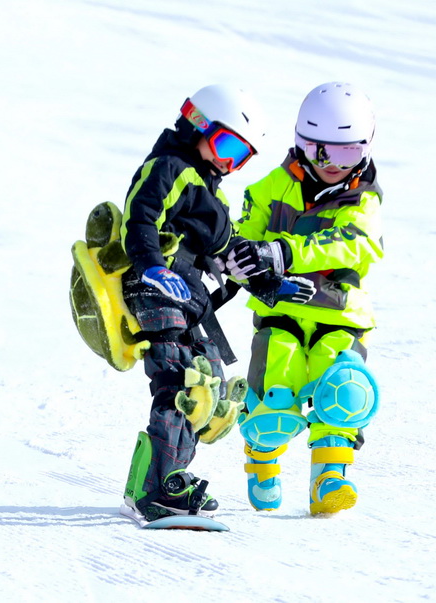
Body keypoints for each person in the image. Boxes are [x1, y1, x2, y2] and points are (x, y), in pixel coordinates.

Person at [119, 84, 312, 523]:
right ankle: (162, 489)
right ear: (197, 123)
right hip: (156, 290)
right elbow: (140, 214)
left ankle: (154, 482)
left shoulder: (212, 195)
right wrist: (151, 265)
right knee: (181, 383)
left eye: (239, 157)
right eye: (226, 146)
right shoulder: (169, 166)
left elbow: (228, 252)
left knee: (207, 389)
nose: (228, 163)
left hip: (187, 299)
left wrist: (269, 284)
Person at [226, 82, 384, 515]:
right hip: (282, 314)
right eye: (318, 151)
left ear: (366, 149)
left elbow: (352, 243)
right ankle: (262, 461)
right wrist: (241, 260)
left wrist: (283, 251)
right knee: (276, 391)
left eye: (347, 153)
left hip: (341, 315)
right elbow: (242, 238)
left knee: (344, 390)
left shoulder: (364, 201)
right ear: (299, 144)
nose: (331, 164)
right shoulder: (267, 190)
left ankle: (329, 482)